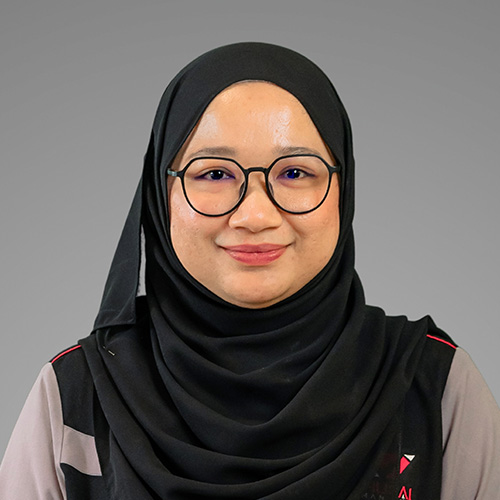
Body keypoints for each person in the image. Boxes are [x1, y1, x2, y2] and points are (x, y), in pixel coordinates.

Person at [1, 42, 499, 500]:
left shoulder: (433, 389)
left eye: (295, 172)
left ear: (342, 190)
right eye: (214, 173)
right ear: (160, 194)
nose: (255, 215)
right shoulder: (76, 399)